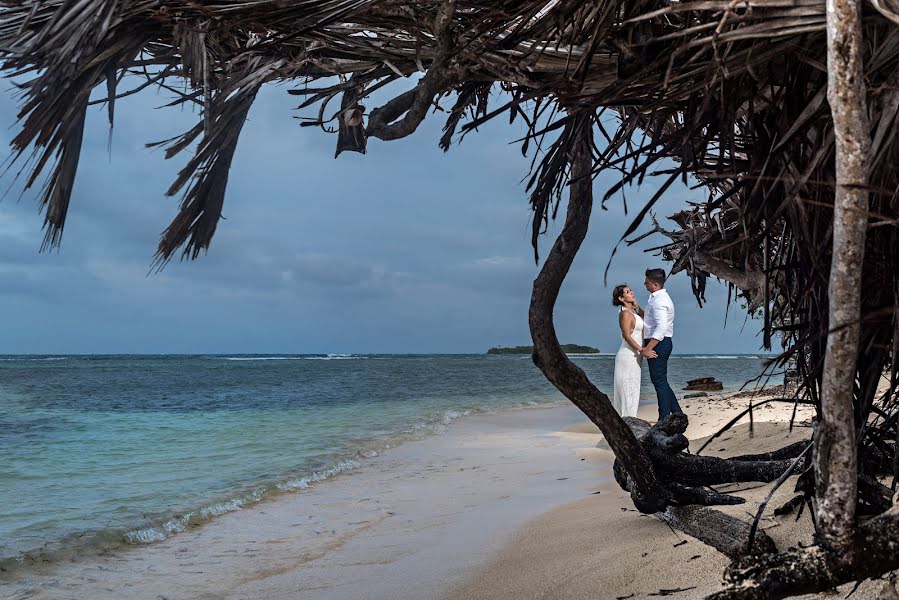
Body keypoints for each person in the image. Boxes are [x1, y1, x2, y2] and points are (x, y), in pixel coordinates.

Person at [640, 268, 683, 419]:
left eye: (647, 282)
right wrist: (637, 308)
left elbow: (661, 327)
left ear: (655, 284)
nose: (644, 284)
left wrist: (647, 348)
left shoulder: (659, 301)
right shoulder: (656, 298)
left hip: (659, 343)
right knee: (660, 380)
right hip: (661, 342)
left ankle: (664, 417)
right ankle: (677, 413)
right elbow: (650, 320)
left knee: (659, 381)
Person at [611, 284, 644, 417]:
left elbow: (648, 319)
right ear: (621, 298)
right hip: (628, 356)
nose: (632, 292)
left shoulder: (632, 312)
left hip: (635, 357)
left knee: (633, 390)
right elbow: (626, 335)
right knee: (628, 390)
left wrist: (636, 306)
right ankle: (628, 422)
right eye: (627, 292)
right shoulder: (625, 313)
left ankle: (629, 421)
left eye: (631, 290)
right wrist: (642, 350)